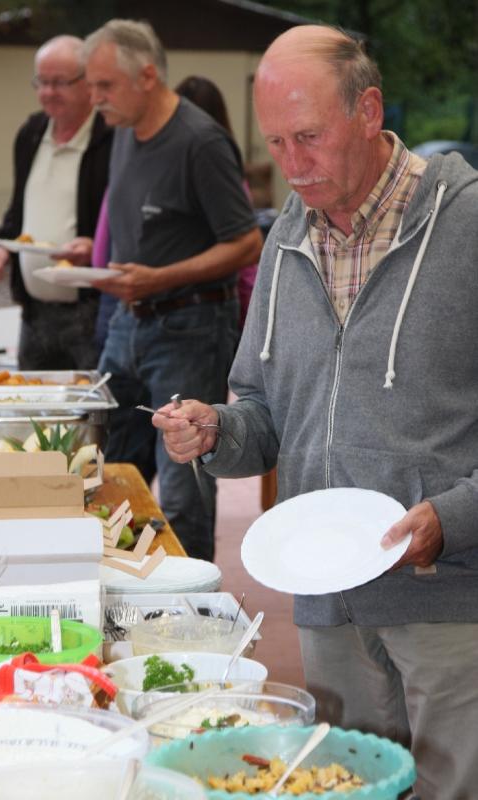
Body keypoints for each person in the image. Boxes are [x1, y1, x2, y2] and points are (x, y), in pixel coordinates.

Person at [152, 24, 478, 800]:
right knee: (342, 785)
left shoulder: (465, 225)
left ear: (367, 111)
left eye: (308, 137)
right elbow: (264, 410)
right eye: (274, 142)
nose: (290, 165)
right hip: (323, 600)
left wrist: (454, 518)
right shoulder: (286, 237)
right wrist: (215, 430)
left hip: (446, 597)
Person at [83, 19, 262, 561]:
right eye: (91, 85)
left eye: (105, 86)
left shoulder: (200, 141)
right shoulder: (122, 131)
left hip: (189, 328)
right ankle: (116, 588)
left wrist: (159, 278)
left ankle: (193, 604)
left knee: (184, 494)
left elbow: (247, 242)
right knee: (104, 470)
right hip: (127, 322)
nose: (95, 99)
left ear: (147, 76)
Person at [0, 35, 113, 370]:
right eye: (41, 82)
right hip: (35, 312)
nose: (48, 92)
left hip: (91, 310)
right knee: (31, 398)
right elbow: (19, 208)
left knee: (91, 399)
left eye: (60, 82)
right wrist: (2, 247)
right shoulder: (31, 132)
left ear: (88, 83)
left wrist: (97, 247)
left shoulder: (110, 138)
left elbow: (124, 220)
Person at [175, 75, 258, 329]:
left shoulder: (217, 169)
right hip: (212, 305)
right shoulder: (229, 172)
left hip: (202, 306)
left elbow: (246, 250)